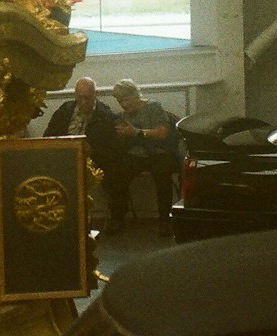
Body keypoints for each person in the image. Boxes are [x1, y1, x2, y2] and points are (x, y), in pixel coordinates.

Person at [43, 78, 121, 225]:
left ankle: (116, 217)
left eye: (87, 98)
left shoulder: (105, 114)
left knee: (113, 171)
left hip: (95, 158)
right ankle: (53, 215)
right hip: (64, 155)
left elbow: (113, 146)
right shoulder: (65, 110)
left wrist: (92, 149)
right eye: (80, 97)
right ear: (75, 95)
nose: (83, 102)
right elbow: (48, 135)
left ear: (95, 94)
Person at [111, 78, 179, 235]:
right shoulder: (123, 116)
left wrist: (136, 132)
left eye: (126, 99)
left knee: (162, 173)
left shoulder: (153, 107)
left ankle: (164, 220)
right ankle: (118, 217)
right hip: (138, 154)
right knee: (116, 172)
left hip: (160, 152)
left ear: (136, 95)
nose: (124, 104)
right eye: (120, 101)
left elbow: (162, 133)